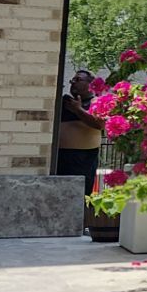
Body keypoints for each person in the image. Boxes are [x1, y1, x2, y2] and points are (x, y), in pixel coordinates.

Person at [57, 69, 104, 198]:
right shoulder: (65, 103)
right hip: (60, 157)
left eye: (78, 80)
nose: (73, 83)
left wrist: (78, 110)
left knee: (78, 196)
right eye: (72, 80)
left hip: (83, 159)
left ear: (90, 84)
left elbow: (99, 124)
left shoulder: (96, 102)